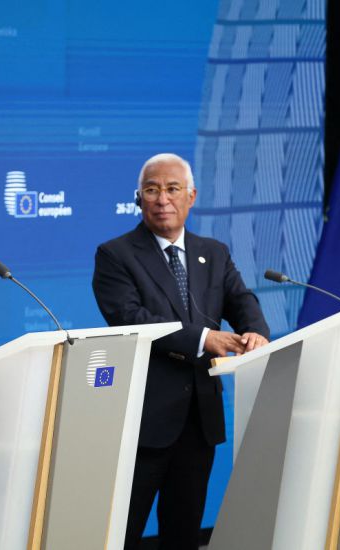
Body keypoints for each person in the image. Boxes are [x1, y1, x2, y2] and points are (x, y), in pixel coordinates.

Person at [92, 153, 270, 549]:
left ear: (191, 196)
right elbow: (130, 318)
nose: (162, 199)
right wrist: (204, 339)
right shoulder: (115, 254)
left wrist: (255, 332)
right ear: (138, 198)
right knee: (121, 533)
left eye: (173, 189)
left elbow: (241, 299)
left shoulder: (215, 251)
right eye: (152, 190)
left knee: (184, 533)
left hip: (199, 420)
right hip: (145, 422)